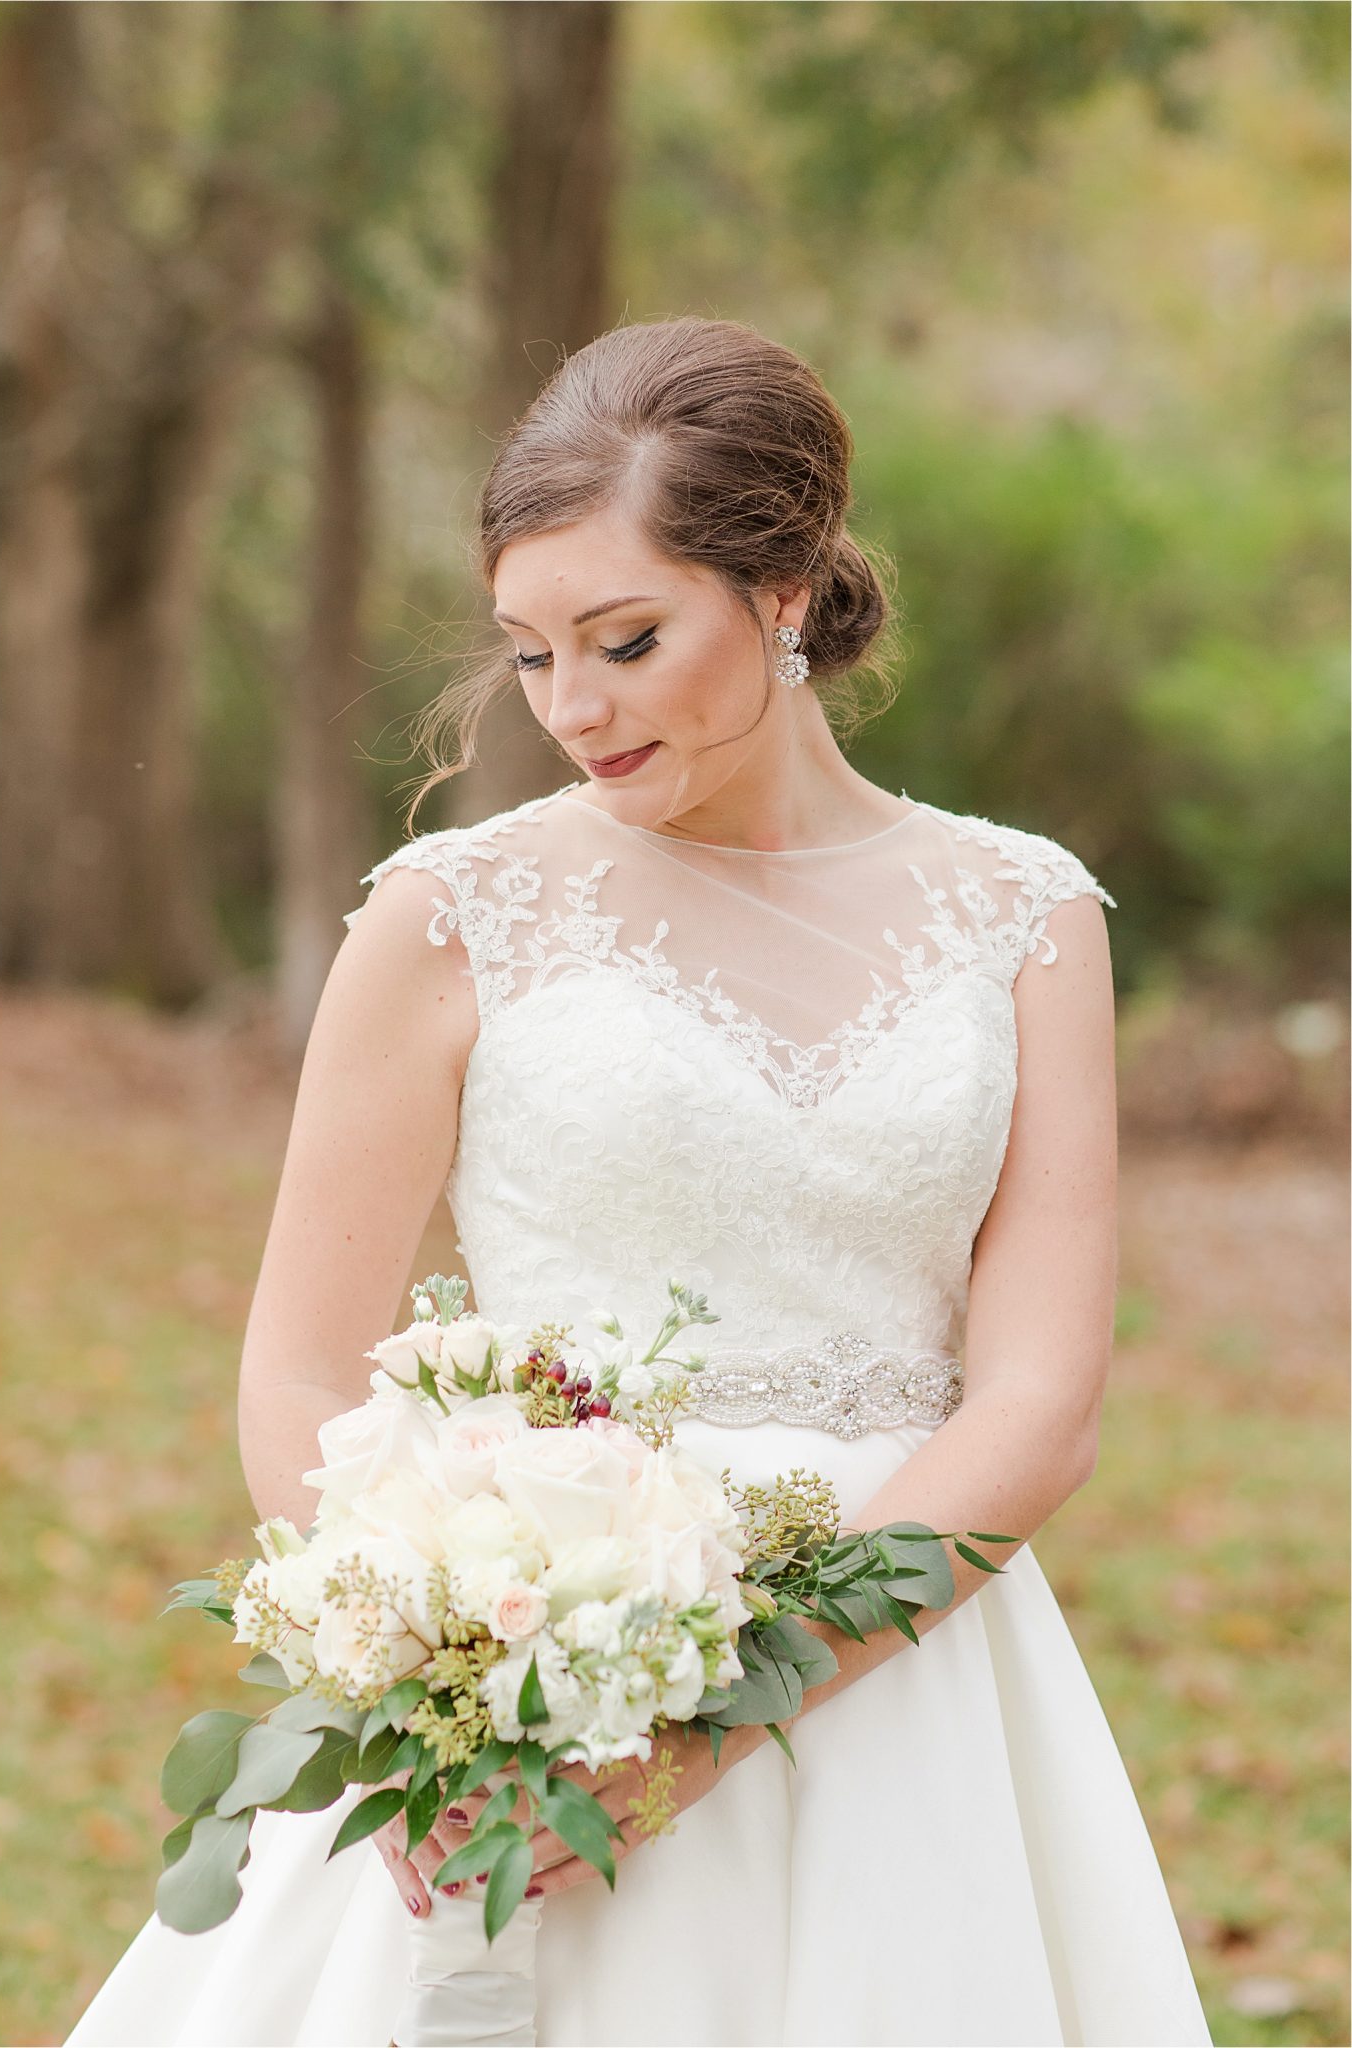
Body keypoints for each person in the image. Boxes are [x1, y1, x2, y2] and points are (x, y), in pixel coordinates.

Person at [66, 316, 1212, 2047]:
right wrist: (445, 1692)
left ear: (790, 594)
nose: (571, 710)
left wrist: (697, 1729)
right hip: (523, 1671)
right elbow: (299, 1369)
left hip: (905, 1686)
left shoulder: (1021, 915)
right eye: (529, 655)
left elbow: (1037, 1401)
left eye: (622, 639)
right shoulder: (450, 912)